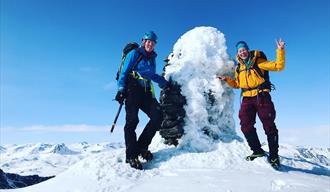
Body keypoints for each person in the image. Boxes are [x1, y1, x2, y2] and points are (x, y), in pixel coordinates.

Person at [218, 39, 285, 169]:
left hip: (262, 96)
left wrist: (280, 50)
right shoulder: (239, 68)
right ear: (238, 53)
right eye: (239, 51)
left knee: (269, 125)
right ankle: (257, 151)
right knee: (245, 125)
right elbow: (237, 85)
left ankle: (274, 156)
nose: (242, 52)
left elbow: (278, 66)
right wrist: (227, 79)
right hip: (247, 99)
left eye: (243, 49)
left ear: (247, 50)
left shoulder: (258, 61)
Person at [115, 31, 168, 170]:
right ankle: (131, 155)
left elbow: (150, 75)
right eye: (148, 41)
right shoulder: (134, 54)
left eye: (153, 42)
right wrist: (121, 89)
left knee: (158, 116)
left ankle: (141, 147)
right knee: (132, 121)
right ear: (143, 41)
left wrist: (164, 82)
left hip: (145, 92)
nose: (150, 44)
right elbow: (124, 72)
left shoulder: (152, 58)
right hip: (132, 89)